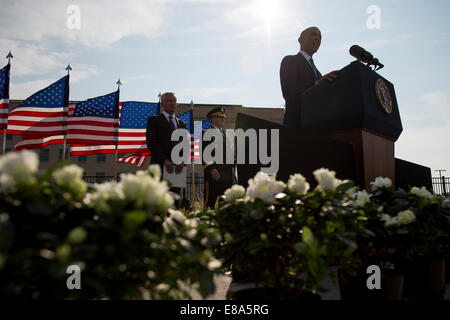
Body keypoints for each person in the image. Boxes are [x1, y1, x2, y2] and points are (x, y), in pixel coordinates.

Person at [280, 26, 339, 127]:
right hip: (296, 127)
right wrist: (317, 84)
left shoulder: (319, 74)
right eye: (313, 34)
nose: (317, 38)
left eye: (320, 37)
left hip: (317, 128)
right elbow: (289, 93)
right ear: (300, 39)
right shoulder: (290, 61)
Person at [146, 92, 187, 197]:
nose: (172, 103)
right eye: (169, 100)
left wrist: (182, 162)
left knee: (174, 202)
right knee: (159, 201)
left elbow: (185, 146)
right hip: (160, 167)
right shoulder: (154, 120)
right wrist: (165, 161)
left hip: (177, 170)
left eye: (174, 101)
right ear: (162, 104)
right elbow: (152, 143)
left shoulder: (182, 124)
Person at [202, 107, 236, 209]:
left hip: (227, 175)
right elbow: (205, 153)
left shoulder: (225, 134)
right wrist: (212, 169)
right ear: (214, 119)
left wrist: (235, 164)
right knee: (210, 203)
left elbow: (230, 153)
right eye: (221, 118)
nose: (223, 120)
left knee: (225, 204)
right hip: (214, 175)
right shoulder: (206, 133)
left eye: (223, 118)